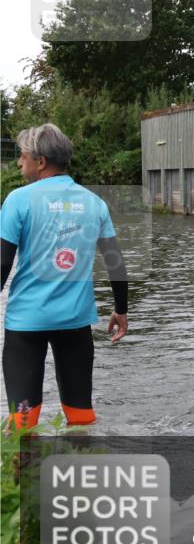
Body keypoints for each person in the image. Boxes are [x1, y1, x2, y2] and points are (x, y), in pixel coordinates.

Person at [0, 123, 128, 429]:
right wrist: (121, 310)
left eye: (22, 156)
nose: (19, 162)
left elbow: (2, 265)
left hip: (26, 324)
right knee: (81, 415)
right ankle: (80, 470)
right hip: (75, 323)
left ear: (40, 162)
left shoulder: (18, 200)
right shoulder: (94, 202)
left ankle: (23, 476)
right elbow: (116, 263)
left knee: (23, 419)